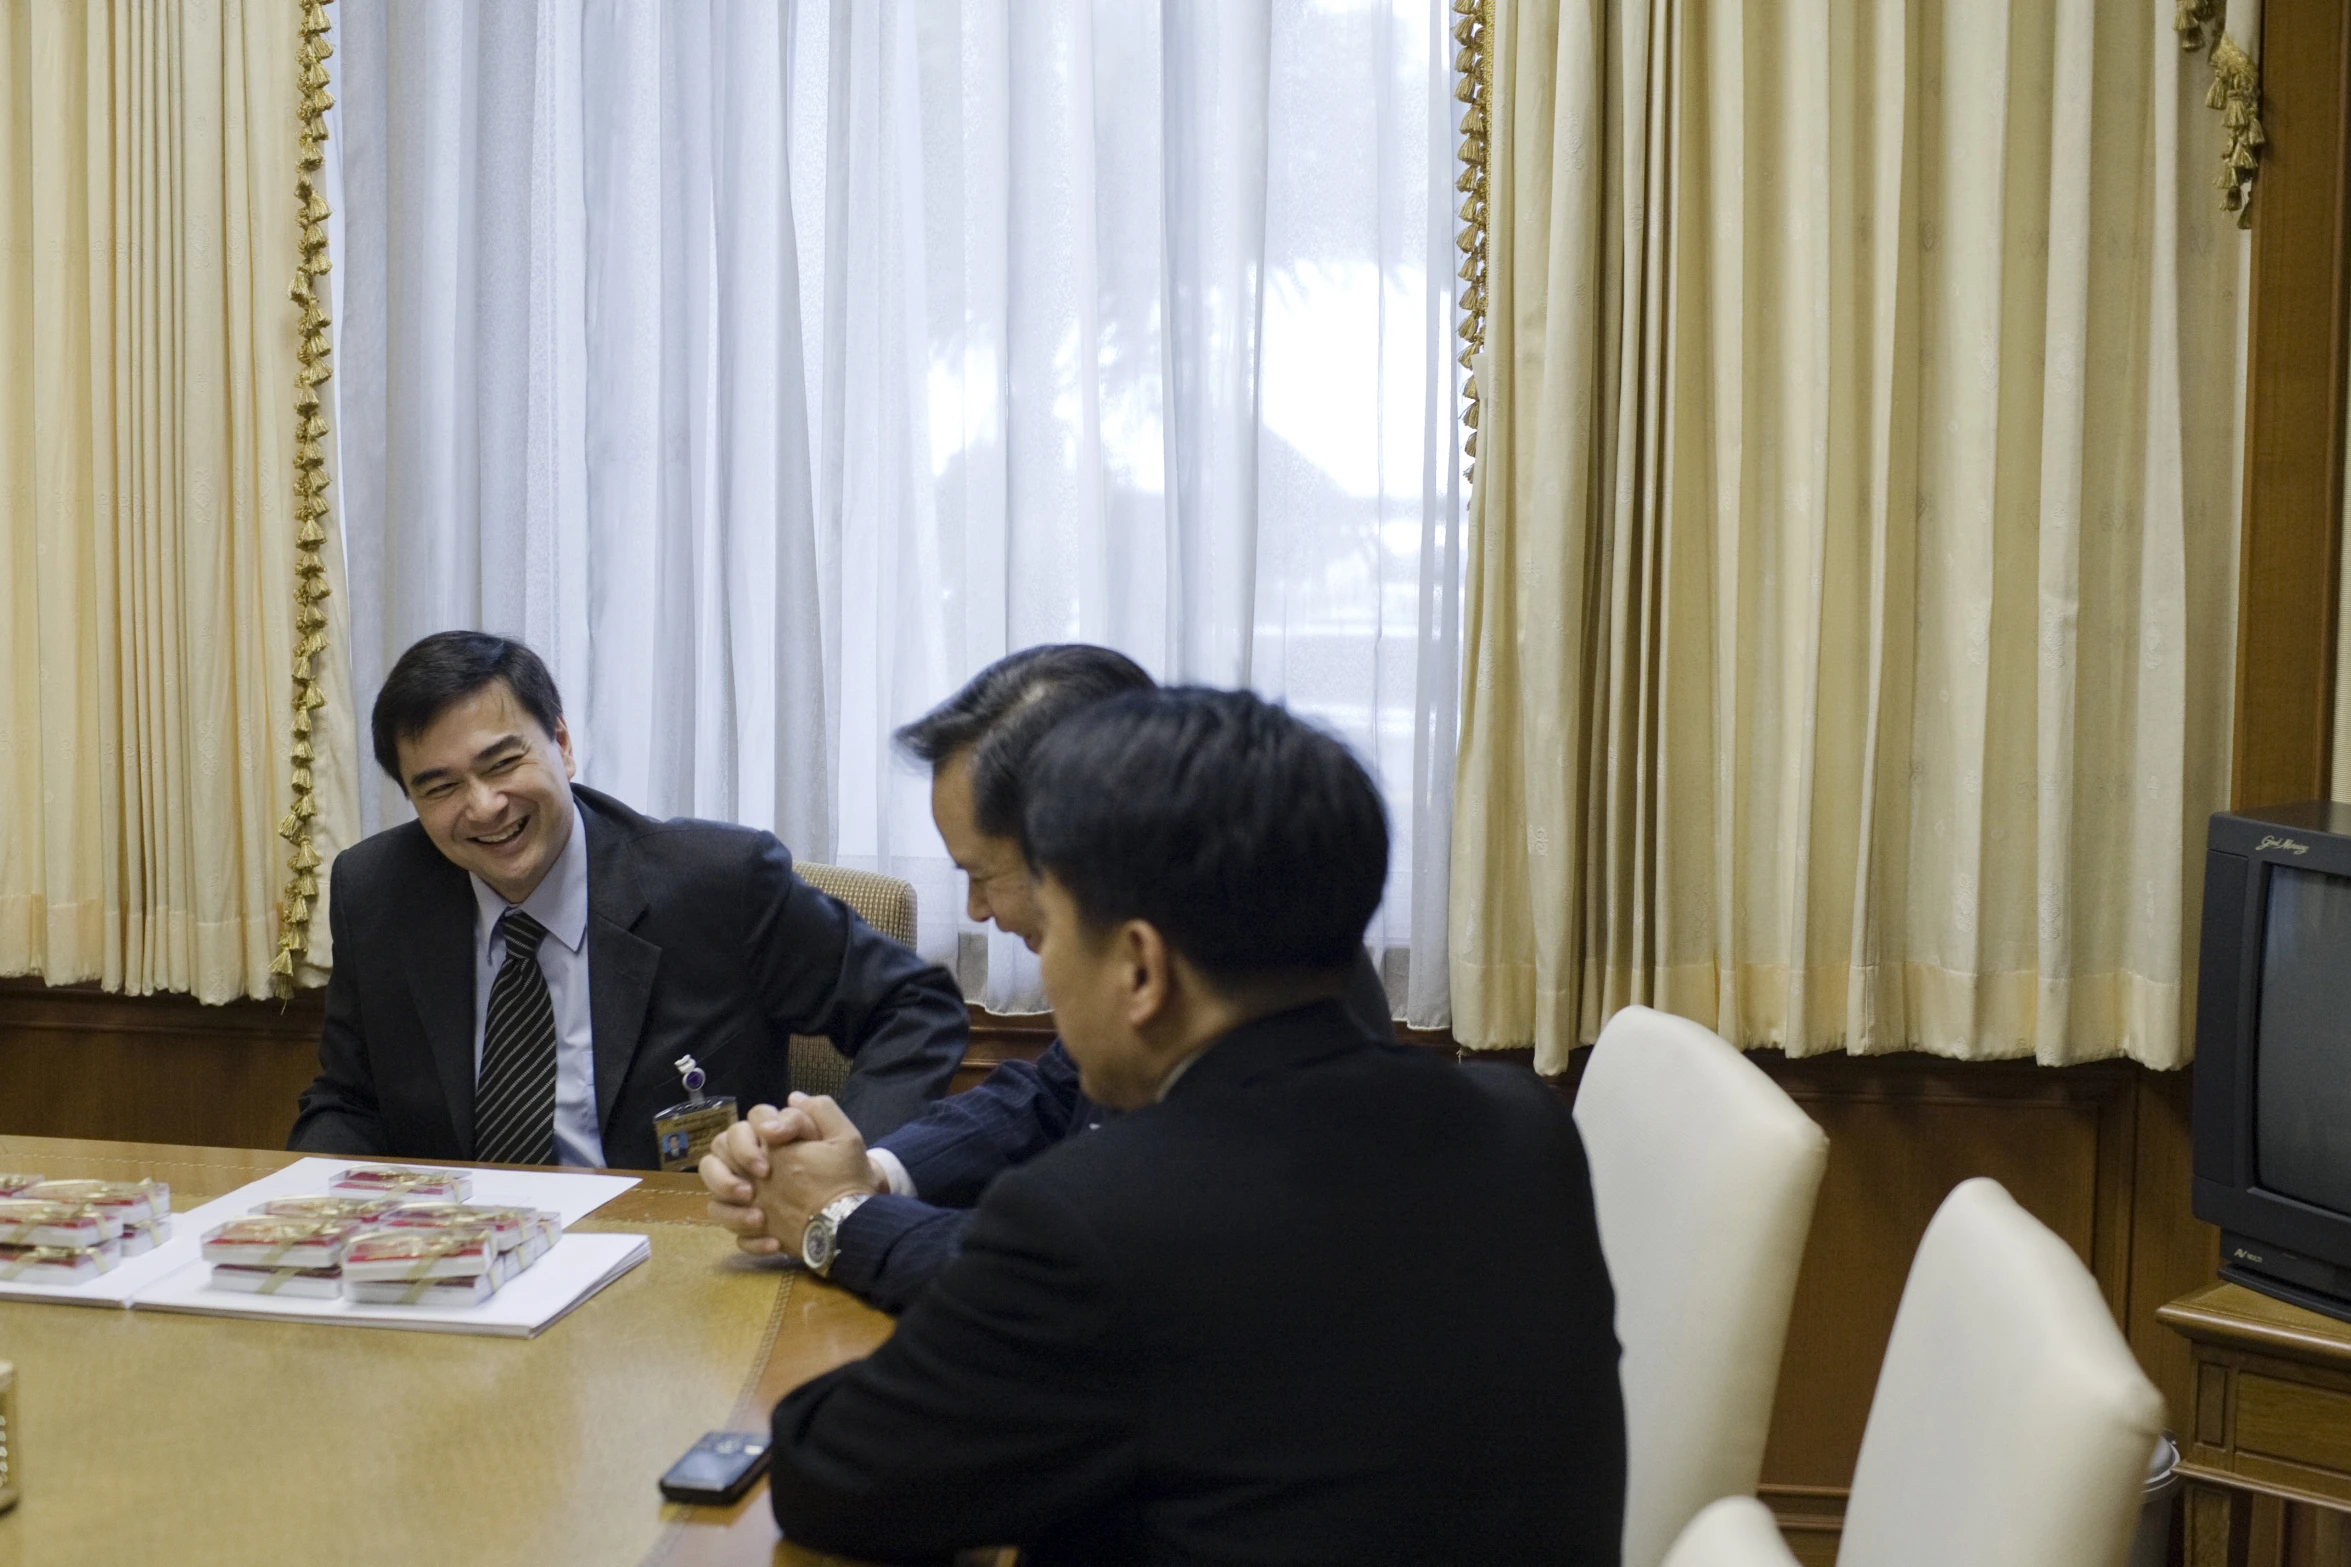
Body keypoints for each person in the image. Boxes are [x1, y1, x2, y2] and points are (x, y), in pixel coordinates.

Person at [723, 688, 1625, 1565]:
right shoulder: (1525, 1129)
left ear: (1141, 969)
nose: (1038, 962)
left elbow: (836, 1473)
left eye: (1053, 928)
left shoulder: (1096, 1223)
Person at [700, 646, 1392, 1311]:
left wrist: (837, 1217)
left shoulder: (1265, 1021)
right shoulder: (1200, 955)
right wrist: (873, 1171)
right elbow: (1047, 1091)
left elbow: (1060, 1270)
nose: (974, 909)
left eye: (980, 874)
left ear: (1079, 831)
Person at [288, 632, 968, 1169]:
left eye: (502, 763)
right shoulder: (376, 892)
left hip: (681, 1255)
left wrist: (850, 1163)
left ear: (561, 744)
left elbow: (914, 1008)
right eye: (440, 788)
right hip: (463, 1273)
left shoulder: (718, 884)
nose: (484, 806)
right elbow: (349, 1099)